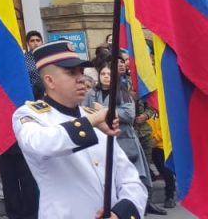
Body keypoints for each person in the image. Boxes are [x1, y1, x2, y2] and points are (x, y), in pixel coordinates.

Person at [11, 40, 146, 219]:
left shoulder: (93, 116)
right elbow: (40, 144)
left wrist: (120, 212)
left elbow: (128, 177)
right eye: (71, 72)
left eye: (82, 72)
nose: (81, 78)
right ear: (49, 81)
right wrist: (90, 122)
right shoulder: (30, 115)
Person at [84, 60, 164, 216]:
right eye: (103, 74)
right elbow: (85, 112)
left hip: (124, 139)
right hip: (100, 141)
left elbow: (129, 115)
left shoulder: (123, 93)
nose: (106, 77)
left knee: (131, 178)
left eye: (109, 74)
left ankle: (136, 207)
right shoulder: (91, 93)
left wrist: (106, 111)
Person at [22, 32, 42, 96]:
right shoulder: (24, 59)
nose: (36, 43)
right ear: (28, 43)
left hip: (49, 92)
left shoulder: (47, 57)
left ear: (42, 42)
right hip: (32, 94)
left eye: (38, 40)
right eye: (32, 41)